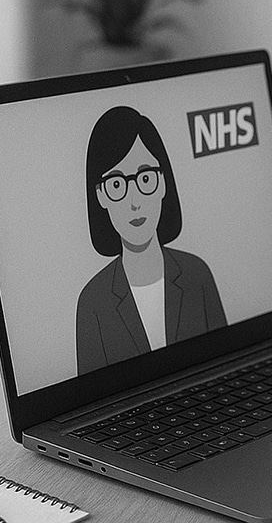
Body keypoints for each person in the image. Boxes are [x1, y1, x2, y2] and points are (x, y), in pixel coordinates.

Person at [76, 105, 226, 374]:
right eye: (117, 184)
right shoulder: (92, 304)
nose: (135, 202)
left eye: (145, 178)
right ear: (100, 195)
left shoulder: (197, 275)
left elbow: (227, 362)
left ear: (163, 183)